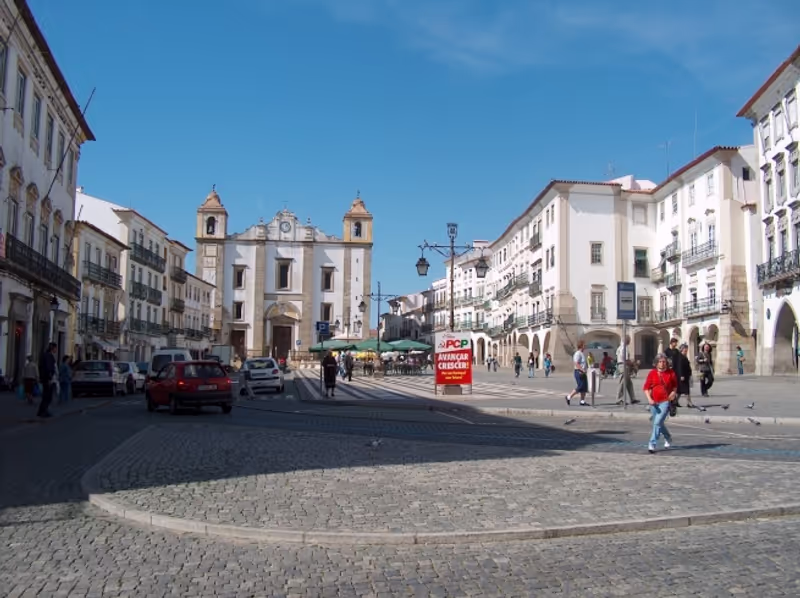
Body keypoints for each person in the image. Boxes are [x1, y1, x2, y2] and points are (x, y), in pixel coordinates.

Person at [642, 353, 677, 453]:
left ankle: (652, 444)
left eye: (664, 362)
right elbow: (646, 387)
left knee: (657, 422)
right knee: (658, 423)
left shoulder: (671, 373)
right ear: (656, 363)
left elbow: (675, 385)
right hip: (654, 402)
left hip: (665, 401)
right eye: (660, 362)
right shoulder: (652, 373)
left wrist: (673, 392)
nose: (662, 364)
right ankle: (668, 437)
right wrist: (649, 399)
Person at [615, 335, 640, 405]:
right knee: (622, 383)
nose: (630, 341)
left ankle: (633, 398)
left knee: (629, 383)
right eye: (629, 340)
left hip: (622, 365)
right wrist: (633, 363)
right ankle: (619, 399)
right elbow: (625, 359)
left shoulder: (620, 347)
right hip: (623, 366)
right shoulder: (624, 348)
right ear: (626, 340)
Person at [37, 342, 58, 418]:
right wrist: (49, 378)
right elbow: (49, 368)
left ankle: (41, 411)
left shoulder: (45, 355)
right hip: (48, 379)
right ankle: (43, 411)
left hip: (45, 378)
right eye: (56, 348)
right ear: (53, 348)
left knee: (46, 396)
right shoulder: (49, 356)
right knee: (48, 396)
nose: (56, 350)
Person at [565, 340, 588, 406]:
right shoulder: (578, 353)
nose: (585, 346)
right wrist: (582, 369)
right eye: (584, 345)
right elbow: (576, 363)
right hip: (579, 372)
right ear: (581, 346)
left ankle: (582, 401)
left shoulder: (582, 353)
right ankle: (568, 397)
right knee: (580, 386)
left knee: (584, 387)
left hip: (582, 372)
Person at [674, 343, 694, 408]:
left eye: (686, 351)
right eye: (685, 351)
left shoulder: (684, 357)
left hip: (685, 375)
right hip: (682, 376)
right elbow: (680, 367)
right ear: (681, 350)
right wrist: (681, 375)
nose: (686, 352)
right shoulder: (680, 357)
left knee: (679, 391)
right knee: (686, 390)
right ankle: (689, 403)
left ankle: (675, 402)